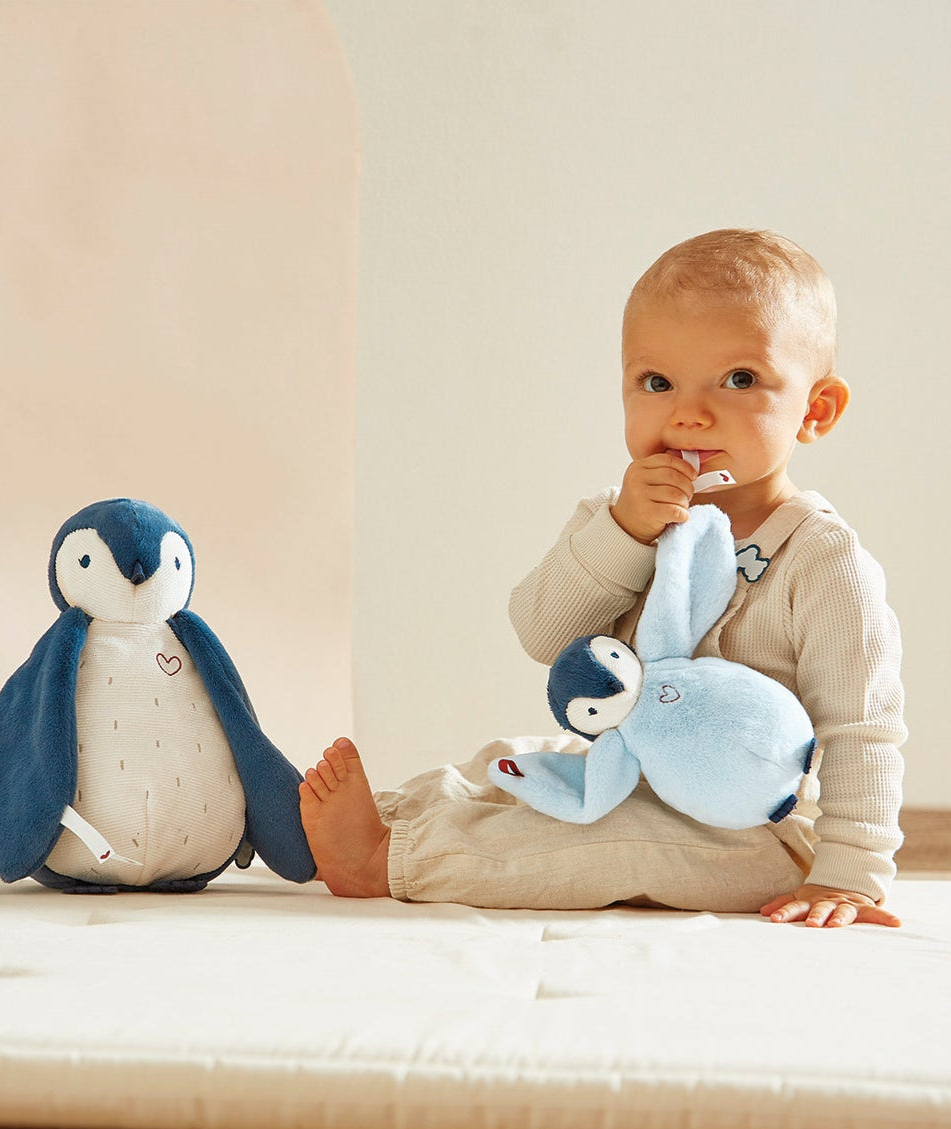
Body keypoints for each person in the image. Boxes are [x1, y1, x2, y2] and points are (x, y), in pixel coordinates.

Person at [299, 228, 905, 929]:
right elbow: (540, 633)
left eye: (739, 380)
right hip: (625, 769)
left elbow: (861, 728)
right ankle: (383, 816)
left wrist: (849, 874)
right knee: (512, 760)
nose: (688, 413)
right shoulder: (617, 520)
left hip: (753, 830)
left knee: (606, 844)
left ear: (816, 410)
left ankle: (386, 858)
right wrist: (625, 534)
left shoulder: (822, 561)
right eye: (657, 383)